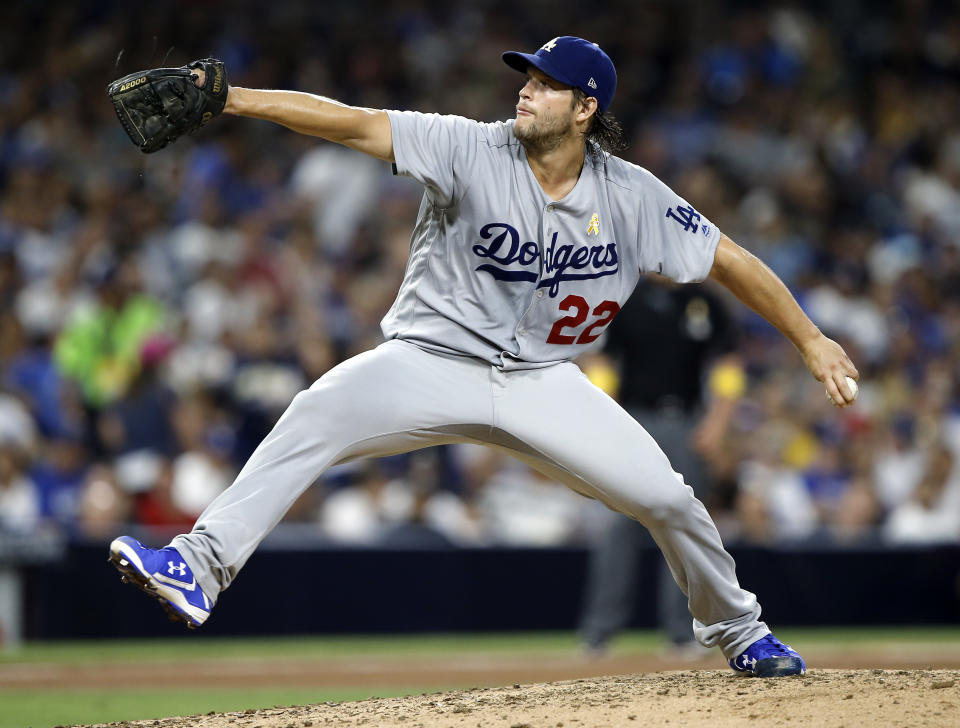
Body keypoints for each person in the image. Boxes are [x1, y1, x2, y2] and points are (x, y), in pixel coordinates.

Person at [108, 36, 859, 678]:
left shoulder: (631, 194)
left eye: (545, 85)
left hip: (540, 381)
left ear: (586, 109)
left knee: (666, 498)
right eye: (526, 79)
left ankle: (739, 632)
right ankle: (198, 567)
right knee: (314, 413)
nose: (526, 92)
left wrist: (811, 339)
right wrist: (234, 99)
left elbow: (729, 260)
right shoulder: (470, 144)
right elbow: (354, 125)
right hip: (429, 360)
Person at [578, 275, 745, 658]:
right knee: (617, 524)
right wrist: (608, 414)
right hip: (634, 419)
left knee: (684, 527)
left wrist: (718, 422)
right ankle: (598, 632)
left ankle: (683, 634)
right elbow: (602, 358)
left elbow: (728, 363)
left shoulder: (703, 300)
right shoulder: (625, 295)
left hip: (688, 423)